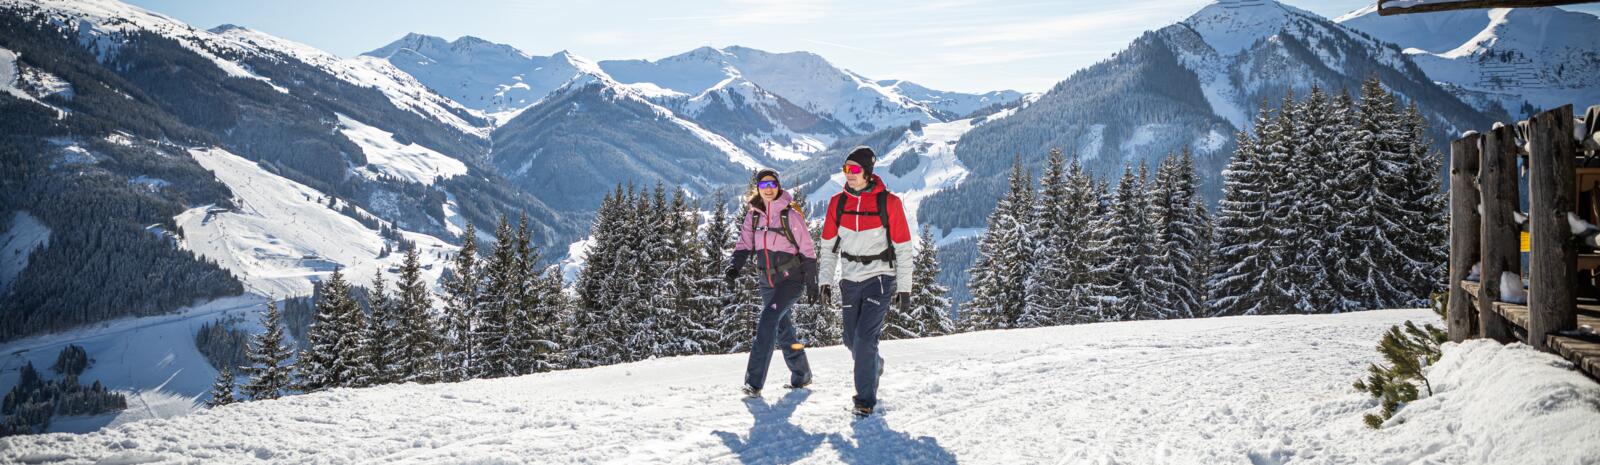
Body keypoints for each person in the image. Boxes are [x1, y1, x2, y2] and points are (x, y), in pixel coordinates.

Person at [817, 146, 913, 418]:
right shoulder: (837, 203)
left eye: (855, 169)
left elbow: (904, 248)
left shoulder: (889, 203)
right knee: (850, 339)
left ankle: (864, 400)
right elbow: (828, 248)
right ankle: (873, 363)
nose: (849, 174)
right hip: (849, 278)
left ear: (868, 173)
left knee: (863, 337)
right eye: (846, 169)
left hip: (880, 278)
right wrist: (825, 281)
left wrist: (905, 288)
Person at [726, 169, 820, 399]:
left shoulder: (790, 214)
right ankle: (802, 373)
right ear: (757, 188)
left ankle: (753, 383)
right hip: (766, 280)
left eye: (772, 184)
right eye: (763, 184)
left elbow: (807, 249)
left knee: (768, 321)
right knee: (782, 328)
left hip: (791, 279)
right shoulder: (754, 215)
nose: (768, 188)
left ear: (778, 186)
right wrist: (733, 268)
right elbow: (744, 245)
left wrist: (812, 282)